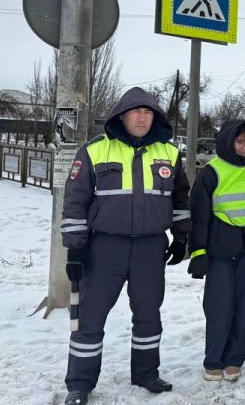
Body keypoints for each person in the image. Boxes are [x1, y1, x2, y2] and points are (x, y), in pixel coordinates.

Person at [60, 87, 191, 405]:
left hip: (150, 248)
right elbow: (75, 202)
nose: (142, 117)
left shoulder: (169, 153)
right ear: (122, 116)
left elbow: (180, 198)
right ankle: (80, 383)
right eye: (136, 112)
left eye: (148, 112)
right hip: (105, 248)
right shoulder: (94, 151)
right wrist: (75, 247)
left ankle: (146, 373)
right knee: (90, 317)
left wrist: (182, 235)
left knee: (148, 315)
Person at [188, 120, 245, 382]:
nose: (244, 147)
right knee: (220, 306)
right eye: (239, 141)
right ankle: (214, 359)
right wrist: (198, 252)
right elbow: (199, 216)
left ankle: (234, 359)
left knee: (242, 306)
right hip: (220, 250)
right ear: (228, 140)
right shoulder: (212, 172)